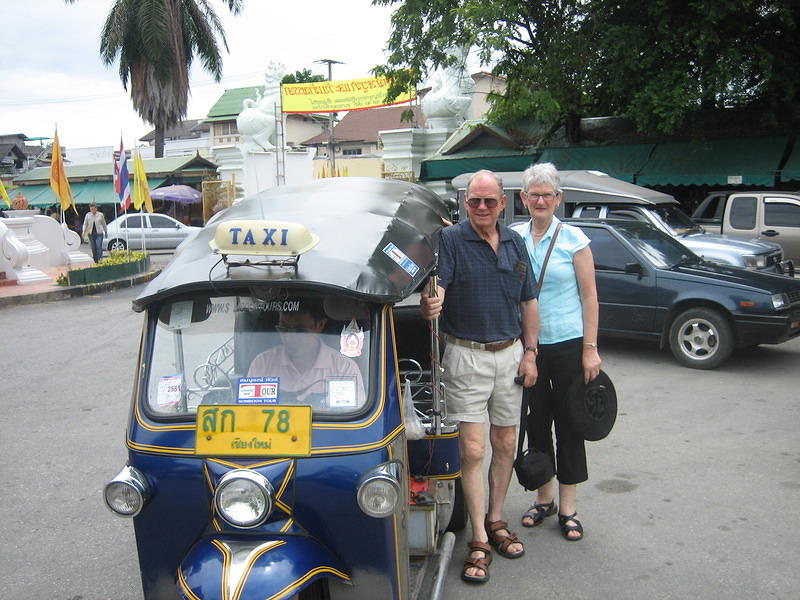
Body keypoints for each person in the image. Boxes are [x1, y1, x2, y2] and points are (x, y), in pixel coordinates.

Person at [421, 170, 539, 584]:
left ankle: (495, 518)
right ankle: (478, 538)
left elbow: (529, 302)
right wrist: (430, 304)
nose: (483, 208)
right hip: (466, 356)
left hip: (509, 356)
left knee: (505, 442)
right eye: (475, 201)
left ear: (504, 203)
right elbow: (439, 290)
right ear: (465, 203)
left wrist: (531, 353)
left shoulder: (515, 242)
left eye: (490, 201)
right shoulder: (451, 240)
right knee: (472, 450)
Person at [510, 162, 602, 542]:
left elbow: (589, 296)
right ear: (524, 198)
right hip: (527, 346)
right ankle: (544, 498)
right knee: (536, 422)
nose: (541, 200)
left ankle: (569, 507)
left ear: (558, 199)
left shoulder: (574, 240)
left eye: (548, 194)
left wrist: (591, 349)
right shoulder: (514, 237)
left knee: (569, 423)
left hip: (567, 343)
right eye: (534, 194)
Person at [247, 299, 366, 408]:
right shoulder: (262, 364)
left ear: (320, 325)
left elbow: (354, 422)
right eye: (283, 329)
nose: (290, 337)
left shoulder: (344, 368)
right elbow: (250, 414)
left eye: (300, 331)